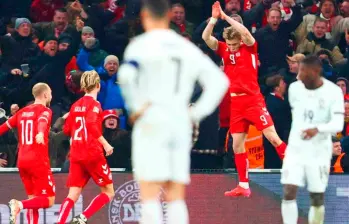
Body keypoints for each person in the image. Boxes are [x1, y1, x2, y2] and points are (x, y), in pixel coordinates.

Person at [118, 0, 229, 223]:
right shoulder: (185, 47)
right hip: (178, 123)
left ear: (145, 16)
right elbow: (219, 82)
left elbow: (126, 76)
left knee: (149, 192)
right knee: (175, 195)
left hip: (151, 122)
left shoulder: (140, 45)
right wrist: (195, 113)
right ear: (169, 15)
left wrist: (136, 106)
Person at [202, 1, 287, 197]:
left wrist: (226, 17)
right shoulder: (224, 49)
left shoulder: (249, 47)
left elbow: (246, 33)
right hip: (236, 104)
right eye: (229, 44)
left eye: (234, 44)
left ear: (240, 41)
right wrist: (214, 19)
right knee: (236, 145)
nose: (231, 48)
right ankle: (243, 185)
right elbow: (206, 37)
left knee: (273, 137)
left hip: (253, 100)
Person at [281, 56, 344, 224]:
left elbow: (338, 124)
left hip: (319, 151)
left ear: (316, 72)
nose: (298, 76)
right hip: (296, 148)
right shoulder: (294, 88)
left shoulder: (333, 92)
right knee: (288, 190)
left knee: (316, 196)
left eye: (303, 72)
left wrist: (318, 129)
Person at [57, 71, 115, 224]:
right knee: (109, 192)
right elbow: (90, 124)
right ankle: (82, 218)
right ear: (98, 85)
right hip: (92, 152)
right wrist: (105, 143)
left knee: (73, 194)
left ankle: (60, 222)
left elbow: (66, 131)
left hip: (76, 153)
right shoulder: (95, 105)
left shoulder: (75, 106)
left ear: (83, 86)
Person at [0, 83, 55, 224]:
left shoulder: (22, 112)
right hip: (37, 160)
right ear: (45, 95)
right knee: (48, 200)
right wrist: (41, 133)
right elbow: (43, 120)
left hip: (22, 161)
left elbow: (3, 128)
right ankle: (19, 205)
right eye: (50, 93)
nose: (51, 96)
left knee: (33, 200)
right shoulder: (45, 110)